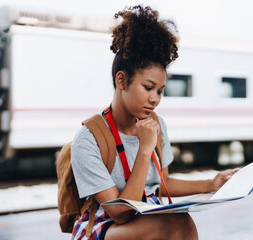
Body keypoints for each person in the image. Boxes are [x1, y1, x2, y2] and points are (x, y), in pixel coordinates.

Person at [71, 5, 238, 240]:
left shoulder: (156, 124)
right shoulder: (89, 138)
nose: (155, 99)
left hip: (147, 213)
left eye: (160, 91)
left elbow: (163, 183)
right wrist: (144, 148)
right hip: (104, 225)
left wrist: (212, 183)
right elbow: (120, 212)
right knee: (165, 226)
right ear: (122, 81)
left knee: (183, 221)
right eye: (148, 88)